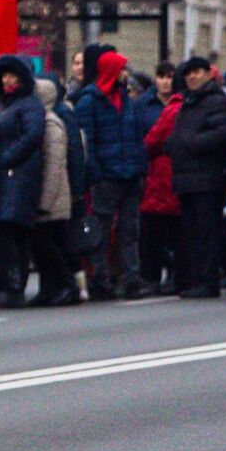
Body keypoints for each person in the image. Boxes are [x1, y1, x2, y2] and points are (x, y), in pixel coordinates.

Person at [74, 50, 150, 300]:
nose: (125, 75)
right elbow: (88, 142)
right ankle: (101, 279)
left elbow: (137, 137)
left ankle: (131, 279)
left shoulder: (127, 100)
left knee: (130, 230)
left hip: (130, 175)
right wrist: (95, 173)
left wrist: (140, 168)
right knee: (101, 231)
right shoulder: (89, 101)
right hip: (107, 176)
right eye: (121, 70)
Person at [158, 58, 226, 297]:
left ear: (207, 74)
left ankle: (208, 281)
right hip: (186, 178)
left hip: (207, 178)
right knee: (191, 232)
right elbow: (180, 133)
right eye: (189, 73)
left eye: (197, 72)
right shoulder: (189, 102)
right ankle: (196, 279)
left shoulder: (216, 101)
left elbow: (222, 135)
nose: (192, 77)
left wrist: (186, 143)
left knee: (206, 232)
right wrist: (172, 144)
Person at [0, 55, 46, 310]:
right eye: (3, 75)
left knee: (10, 233)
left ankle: (14, 288)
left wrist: (7, 157)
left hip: (18, 176)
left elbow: (33, 134)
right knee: (6, 233)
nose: (7, 80)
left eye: (12, 75)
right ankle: (7, 286)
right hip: (4, 177)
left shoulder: (29, 104)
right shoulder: (6, 105)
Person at [30, 78, 80, 307]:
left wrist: (45, 201)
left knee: (50, 246)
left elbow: (54, 165)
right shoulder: (41, 121)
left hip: (54, 199)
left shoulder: (51, 124)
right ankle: (49, 289)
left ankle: (68, 285)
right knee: (44, 246)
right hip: (49, 197)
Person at [138, 64, 183, 295]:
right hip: (155, 177)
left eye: (170, 78)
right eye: (161, 77)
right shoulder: (144, 105)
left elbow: (150, 141)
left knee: (165, 231)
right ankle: (160, 276)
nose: (165, 82)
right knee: (156, 231)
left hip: (165, 175)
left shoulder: (175, 107)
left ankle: (161, 276)